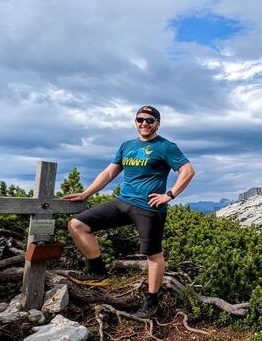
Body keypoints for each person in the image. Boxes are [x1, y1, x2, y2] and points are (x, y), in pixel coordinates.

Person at [63, 106, 195, 318]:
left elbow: (188, 171)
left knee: (153, 255)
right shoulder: (127, 146)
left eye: (150, 120)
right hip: (122, 202)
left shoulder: (166, 147)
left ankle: (152, 301)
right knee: (77, 225)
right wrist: (86, 193)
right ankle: (98, 273)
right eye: (140, 119)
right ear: (135, 121)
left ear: (157, 124)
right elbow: (108, 173)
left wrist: (169, 195)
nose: (144, 123)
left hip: (148, 208)